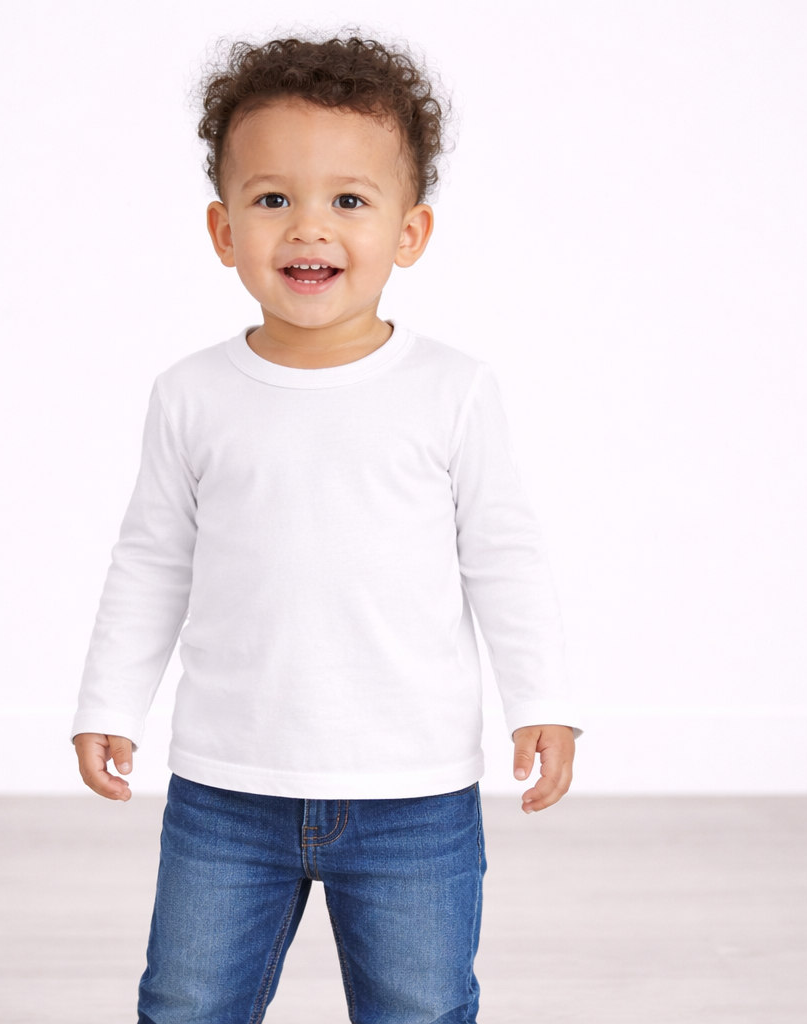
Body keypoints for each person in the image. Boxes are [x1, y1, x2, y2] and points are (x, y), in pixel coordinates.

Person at [72, 34, 581, 1024]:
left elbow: (504, 556)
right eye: (273, 199)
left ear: (410, 231)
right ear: (223, 229)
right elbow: (151, 562)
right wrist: (109, 703)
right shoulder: (191, 394)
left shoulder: (453, 390)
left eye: (349, 200)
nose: (309, 226)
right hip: (227, 789)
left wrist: (543, 700)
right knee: (185, 1002)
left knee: (420, 1007)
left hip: (413, 793)